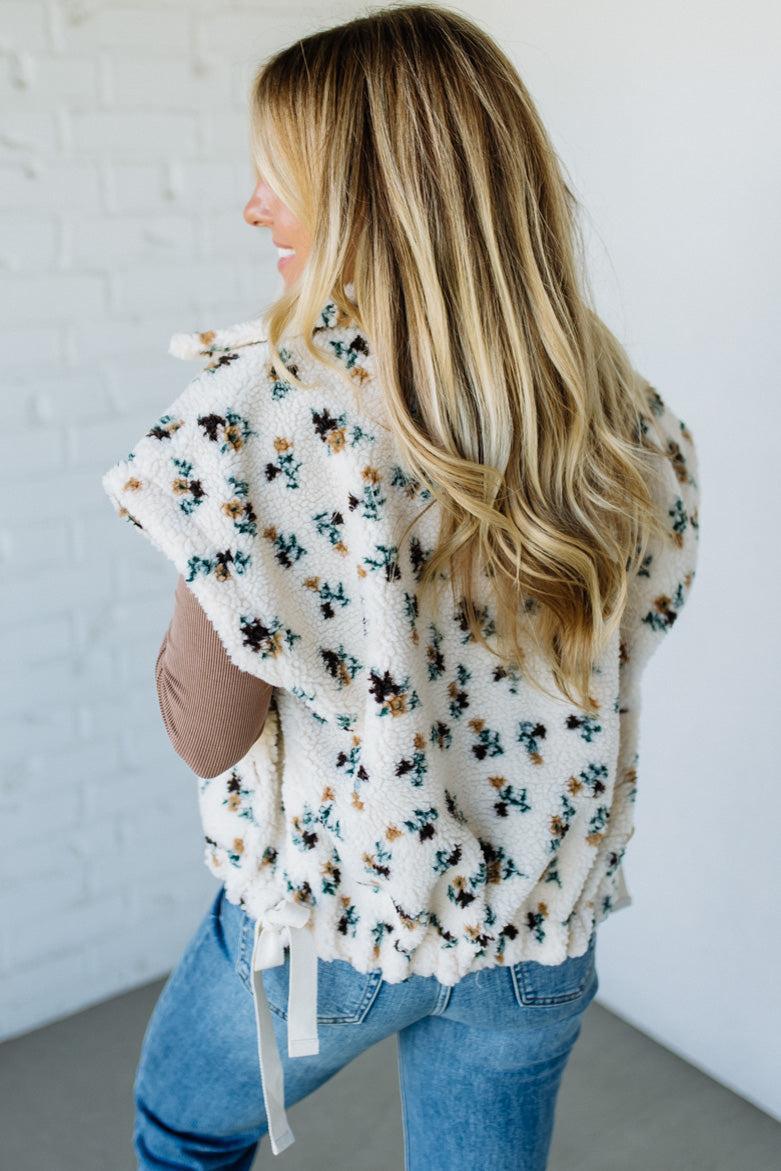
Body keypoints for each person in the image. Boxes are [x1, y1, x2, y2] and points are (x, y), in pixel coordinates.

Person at [100, 5, 701, 1168]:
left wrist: (219, 523)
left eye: (279, 175)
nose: (254, 208)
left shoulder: (256, 417)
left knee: (181, 1135)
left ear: (367, 194)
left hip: (334, 931)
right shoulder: (617, 409)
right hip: (539, 930)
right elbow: (644, 620)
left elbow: (207, 738)